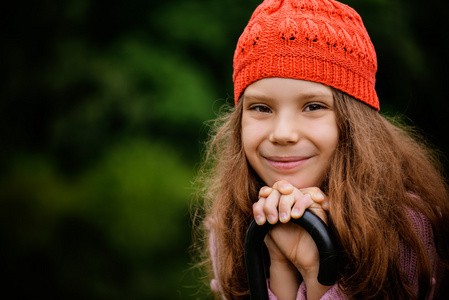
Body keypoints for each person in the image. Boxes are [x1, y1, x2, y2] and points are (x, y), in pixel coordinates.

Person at [194, 0, 449, 299]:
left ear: (353, 125)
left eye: (313, 106)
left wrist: (317, 269)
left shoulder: (406, 227)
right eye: (261, 108)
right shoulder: (231, 223)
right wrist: (281, 268)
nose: (283, 134)